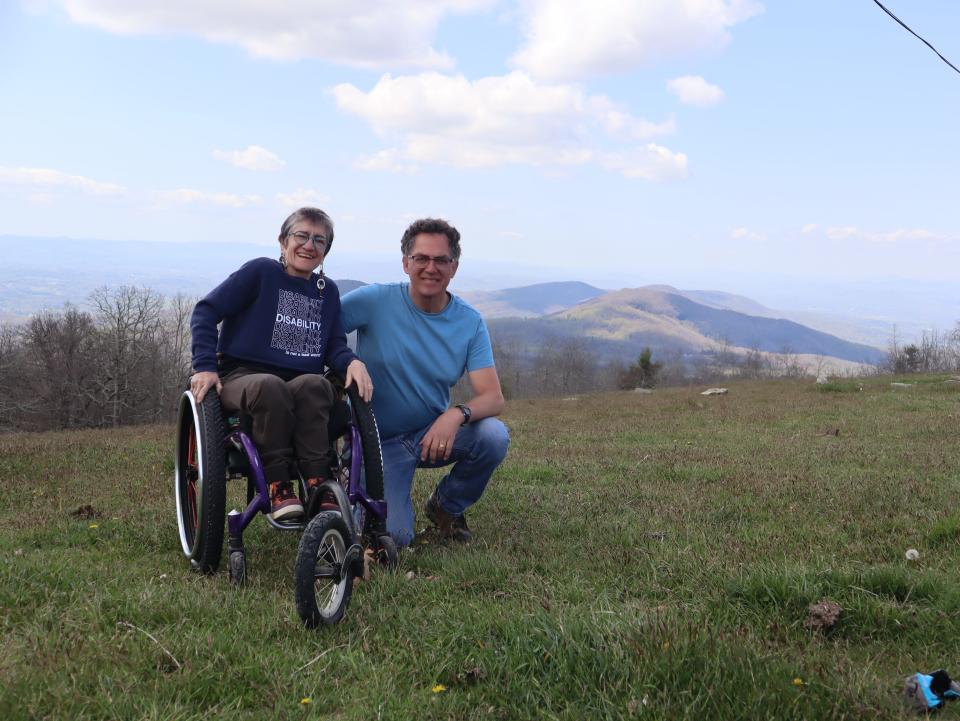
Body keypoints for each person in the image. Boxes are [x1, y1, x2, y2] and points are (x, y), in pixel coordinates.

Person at [189, 207, 373, 522]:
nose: (309, 245)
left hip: (301, 381)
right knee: (269, 386)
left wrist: (352, 362)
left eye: (319, 240)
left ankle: (318, 483)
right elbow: (206, 311)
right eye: (301, 236)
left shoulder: (326, 293)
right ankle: (278, 486)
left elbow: (333, 346)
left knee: (315, 385)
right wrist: (204, 365)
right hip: (243, 376)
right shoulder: (261, 273)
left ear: (325, 251)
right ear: (283, 241)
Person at [341, 218, 509, 546]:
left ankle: (446, 507)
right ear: (406, 263)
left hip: (430, 435)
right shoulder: (375, 301)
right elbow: (318, 327)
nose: (431, 268)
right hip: (376, 443)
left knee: (493, 436)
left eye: (441, 260)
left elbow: (493, 398)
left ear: (454, 267)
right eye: (421, 258)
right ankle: (348, 475)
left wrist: (454, 415)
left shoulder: (469, 321)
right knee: (392, 539)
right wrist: (348, 362)